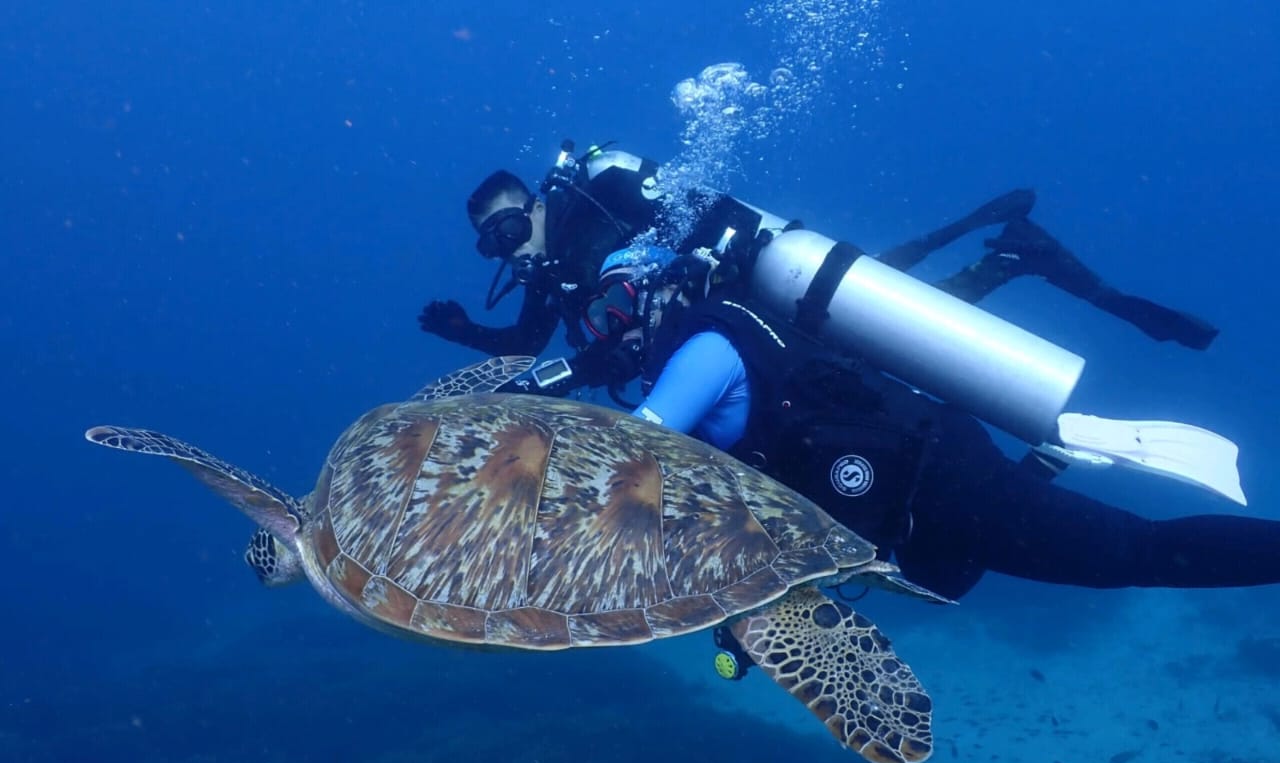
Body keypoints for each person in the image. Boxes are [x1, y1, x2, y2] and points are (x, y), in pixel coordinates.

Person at [544, 246, 1278, 602]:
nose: (611, 334)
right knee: (981, 576)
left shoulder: (706, 345)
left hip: (941, 481)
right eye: (594, 325)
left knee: (1133, 555)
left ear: (657, 291)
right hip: (910, 508)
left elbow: (633, 455)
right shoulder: (711, 349)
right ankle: (1041, 466)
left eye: (614, 310)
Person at [417, 142, 1218, 365]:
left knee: (881, 334)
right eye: (491, 242)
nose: (506, 249)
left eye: (507, 228)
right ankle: (1003, 252)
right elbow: (525, 345)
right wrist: (465, 332)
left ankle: (1006, 256)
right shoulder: (553, 273)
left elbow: (708, 207)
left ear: (534, 203)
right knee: (881, 327)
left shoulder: (601, 193)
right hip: (733, 326)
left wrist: (671, 269)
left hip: (755, 278)